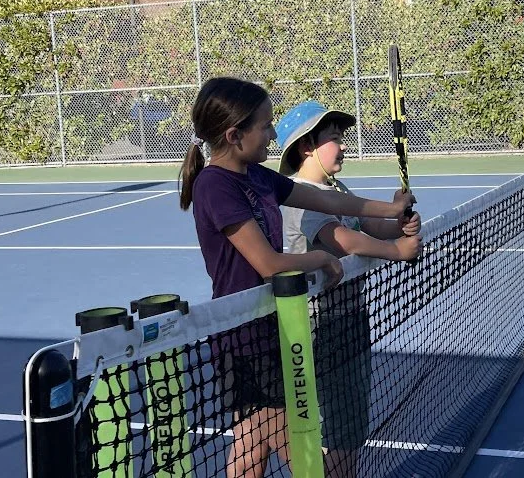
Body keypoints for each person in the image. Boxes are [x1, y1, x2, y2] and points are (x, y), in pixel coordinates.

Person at [178, 77, 416, 478]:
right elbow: (269, 263)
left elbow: (327, 199)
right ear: (234, 135)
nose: (273, 135)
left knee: (252, 446)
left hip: (274, 326)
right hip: (245, 342)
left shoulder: (257, 175)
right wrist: (321, 257)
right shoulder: (214, 186)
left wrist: (389, 211)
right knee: (302, 454)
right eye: (266, 126)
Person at [275, 100, 423, 476]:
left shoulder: (335, 187)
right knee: (339, 428)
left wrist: (399, 222)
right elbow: (342, 240)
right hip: (320, 326)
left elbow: (372, 228)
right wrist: (398, 251)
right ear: (307, 146)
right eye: (334, 138)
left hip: (348, 318)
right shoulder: (299, 196)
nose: (343, 146)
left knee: (349, 424)